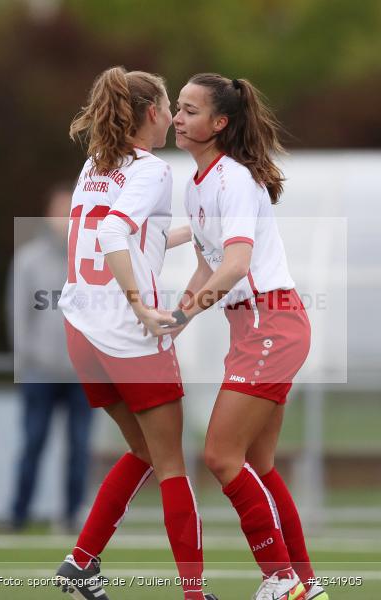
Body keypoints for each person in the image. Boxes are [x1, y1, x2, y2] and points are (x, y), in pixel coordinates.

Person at [55, 66, 217, 600]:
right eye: (170, 106)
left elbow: (130, 233)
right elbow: (112, 231)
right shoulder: (151, 169)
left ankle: (81, 563)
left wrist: (197, 228)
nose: (174, 116)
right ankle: (194, 593)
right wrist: (140, 307)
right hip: (127, 333)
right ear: (152, 113)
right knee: (172, 462)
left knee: (146, 453)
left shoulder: (95, 165)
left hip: (81, 328)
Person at [169, 73, 329, 600]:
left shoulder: (232, 178)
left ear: (219, 124)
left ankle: (281, 581)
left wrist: (192, 310)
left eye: (190, 111)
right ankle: (305, 585)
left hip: (269, 323)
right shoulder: (196, 185)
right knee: (256, 466)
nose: (177, 117)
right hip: (256, 326)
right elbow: (205, 268)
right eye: (176, 107)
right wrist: (174, 320)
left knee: (219, 456)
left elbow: (235, 266)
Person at [8, 184, 93, 532]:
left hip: (81, 375)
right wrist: (29, 361)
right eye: (59, 211)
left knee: (79, 449)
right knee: (32, 445)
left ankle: (72, 517)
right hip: (40, 374)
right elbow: (17, 316)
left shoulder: (90, 261)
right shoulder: (29, 259)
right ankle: (18, 516)